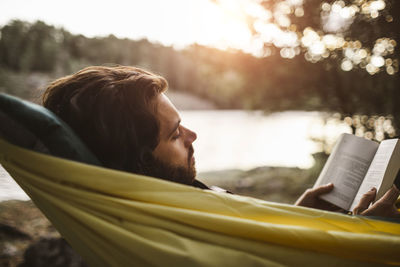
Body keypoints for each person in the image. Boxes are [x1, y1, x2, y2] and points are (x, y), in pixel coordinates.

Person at [42, 65, 400, 219]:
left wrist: (298, 217)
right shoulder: (178, 226)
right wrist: (360, 235)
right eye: (174, 134)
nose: (192, 136)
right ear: (136, 161)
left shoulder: (169, 203)